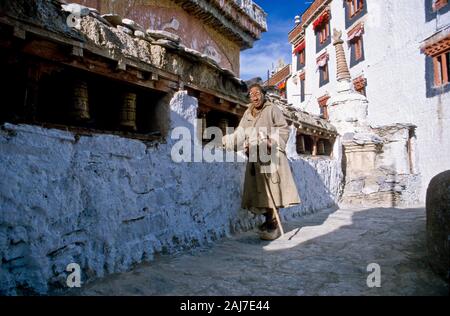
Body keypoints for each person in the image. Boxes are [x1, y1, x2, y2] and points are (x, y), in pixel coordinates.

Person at [222, 78, 301, 240]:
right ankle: (267, 221)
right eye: (251, 95)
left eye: (257, 93)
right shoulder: (247, 113)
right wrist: (224, 142)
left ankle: (273, 224)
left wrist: (272, 141)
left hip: (271, 155)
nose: (255, 97)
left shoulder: (272, 109)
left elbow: (283, 128)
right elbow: (240, 133)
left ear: (263, 95)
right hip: (254, 156)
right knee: (260, 192)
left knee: (273, 190)